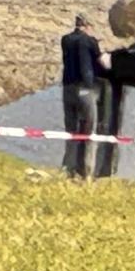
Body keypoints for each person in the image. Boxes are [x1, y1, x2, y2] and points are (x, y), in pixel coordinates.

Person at [60, 13, 105, 179]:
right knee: (89, 132)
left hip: (68, 88)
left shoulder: (65, 40)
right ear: (88, 26)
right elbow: (101, 64)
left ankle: (69, 170)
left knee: (70, 131)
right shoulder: (90, 42)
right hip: (86, 89)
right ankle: (87, 172)